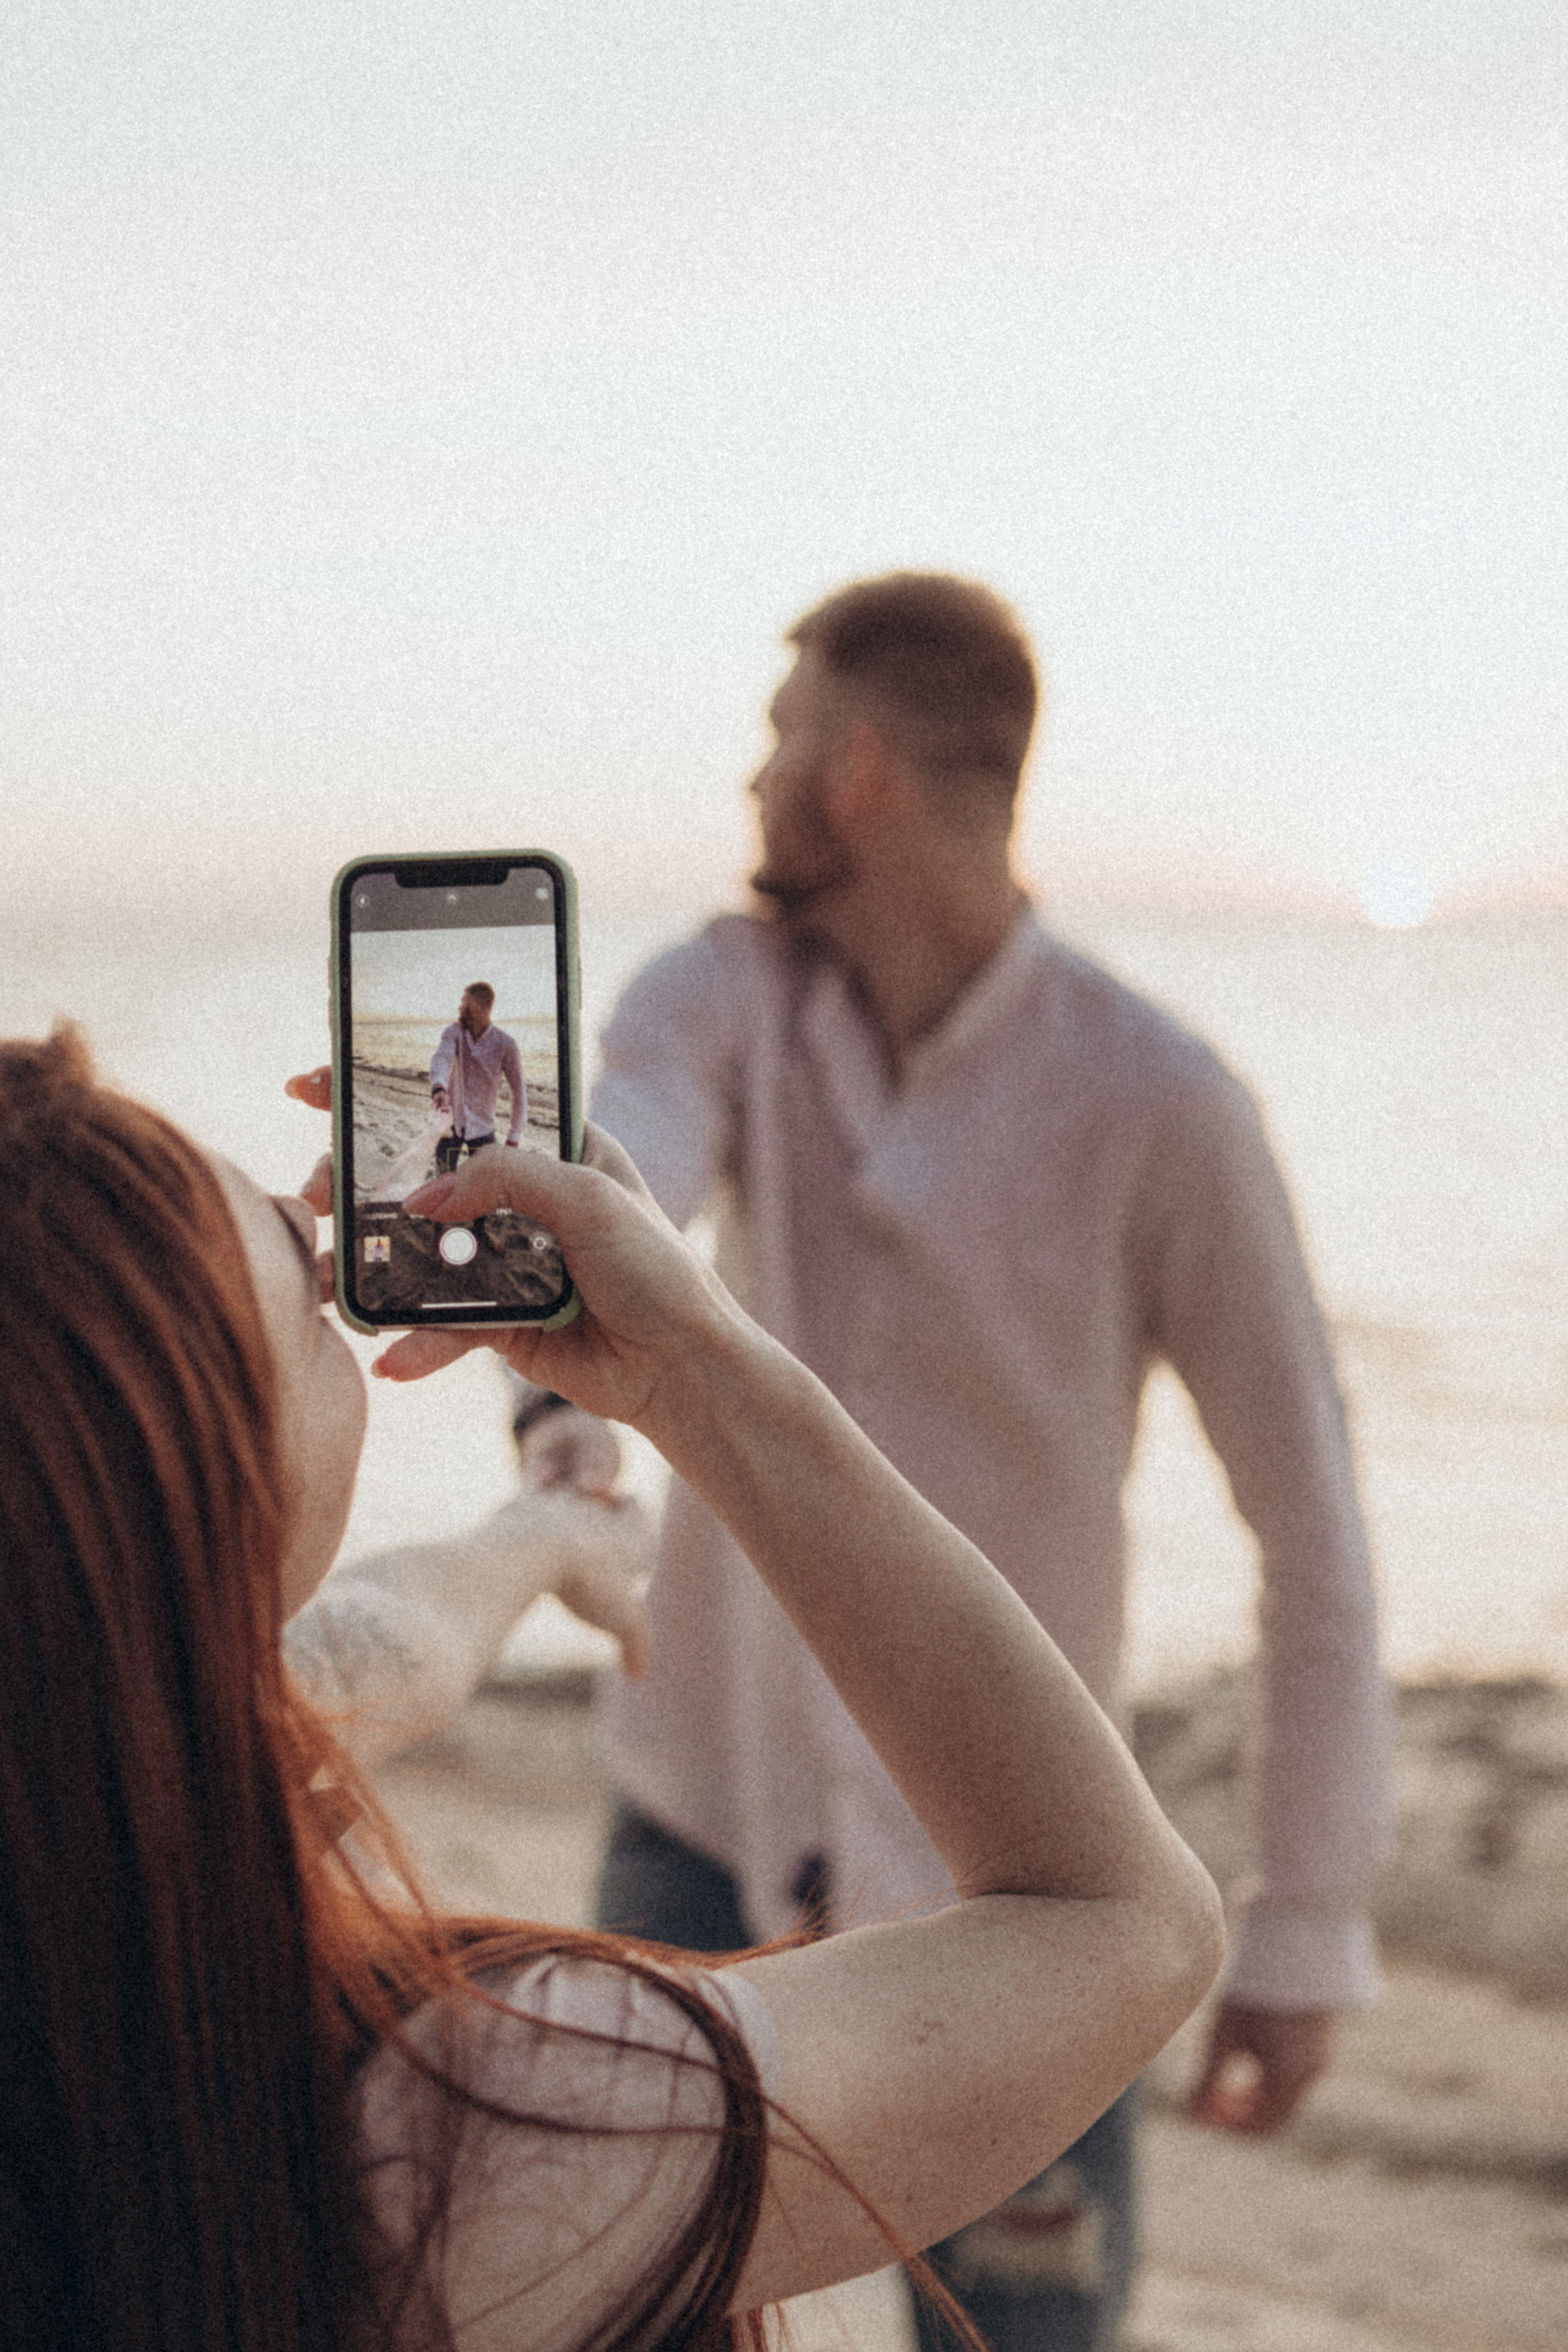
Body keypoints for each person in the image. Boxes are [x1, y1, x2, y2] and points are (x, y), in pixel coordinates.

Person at [0, 1023, 1222, 2352]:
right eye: (306, 1291)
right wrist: (693, 1365)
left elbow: (352, 1662)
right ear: (180, 1488)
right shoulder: (467, 2133)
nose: (321, 1236)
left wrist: (540, 1539)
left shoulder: (61, 1805)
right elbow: (1125, 1924)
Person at [502, 573, 1391, 2350]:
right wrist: (551, 1348)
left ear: (858, 770)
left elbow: (1310, 1529)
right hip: (700, 1835)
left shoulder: (1161, 1102)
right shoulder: (719, 998)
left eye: (780, 740)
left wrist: (1305, 1924)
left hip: (1025, 1891)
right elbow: (632, 1156)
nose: (753, 782)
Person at [430, 982, 526, 1171]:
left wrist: (515, 1135)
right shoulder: (454, 1032)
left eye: (463, 1002)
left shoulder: (506, 1044)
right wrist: (439, 1088)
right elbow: (442, 1058)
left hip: (483, 1128)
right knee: (443, 1178)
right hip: (450, 1124)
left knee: (486, 1182)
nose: (459, 1007)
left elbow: (519, 1091)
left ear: (474, 1006)